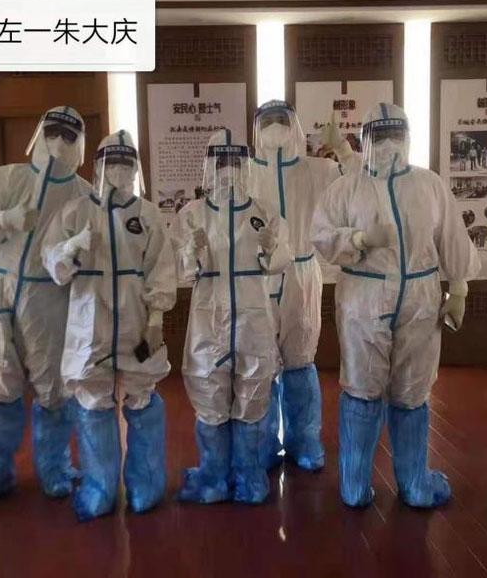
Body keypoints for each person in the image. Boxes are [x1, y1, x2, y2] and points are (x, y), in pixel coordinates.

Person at [311, 102, 480, 508]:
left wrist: (458, 287)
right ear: (365, 141)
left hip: (421, 297)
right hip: (363, 299)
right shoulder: (347, 188)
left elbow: (452, 237)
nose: (388, 144)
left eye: (394, 135)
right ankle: (354, 485)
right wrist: (357, 239)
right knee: (362, 389)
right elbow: (320, 235)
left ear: (406, 138)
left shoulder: (428, 184)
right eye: (380, 136)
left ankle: (414, 483)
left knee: (411, 391)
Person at [42, 130, 176, 520]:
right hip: (90, 321)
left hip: (136, 320)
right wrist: (71, 247)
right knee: (92, 401)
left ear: (135, 168)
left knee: (142, 397)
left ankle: (146, 486)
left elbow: (161, 268)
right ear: (98, 167)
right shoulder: (75, 212)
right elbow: (53, 265)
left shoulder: (147, 214)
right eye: (111, 163)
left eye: (125, 163)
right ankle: (99, 489)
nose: (118, 170)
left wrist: (156, 319)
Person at [0, 106, 90, 510]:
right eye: (52, 132)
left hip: (48, 297)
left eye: (68, 136)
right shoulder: (6, 178)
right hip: (0, 290)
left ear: (80, 144)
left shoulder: (84, 195)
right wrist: (5, 218)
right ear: (39, 134)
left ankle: (54, 468)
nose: (58, 143)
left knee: (53, 385)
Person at [170, 129, 293, 504]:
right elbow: (177, 269)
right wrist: (189, 254)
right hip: (208, 318)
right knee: (209, 392)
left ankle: (249, 478)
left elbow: (281, 259)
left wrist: (271, 251)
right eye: (221, 162)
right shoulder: (192, 214)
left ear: (246, 165)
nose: (228, 170)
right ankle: (214, 478)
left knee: (253, 395)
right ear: (209, 166)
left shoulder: (264, 212)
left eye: (235, 162)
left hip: (253, 317)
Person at [249, 100, 341, 472]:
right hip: (259, 275)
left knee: (300, 358)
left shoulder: (318, 170)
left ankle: (304, 440)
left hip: (302, 272)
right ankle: (263, 443)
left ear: (295, 126)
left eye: (281, 119)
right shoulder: (245, 172)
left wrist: (345, 150)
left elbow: (357, 188)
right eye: (266, 120)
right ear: (256, 129)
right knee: (261, 361)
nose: (274, 126)